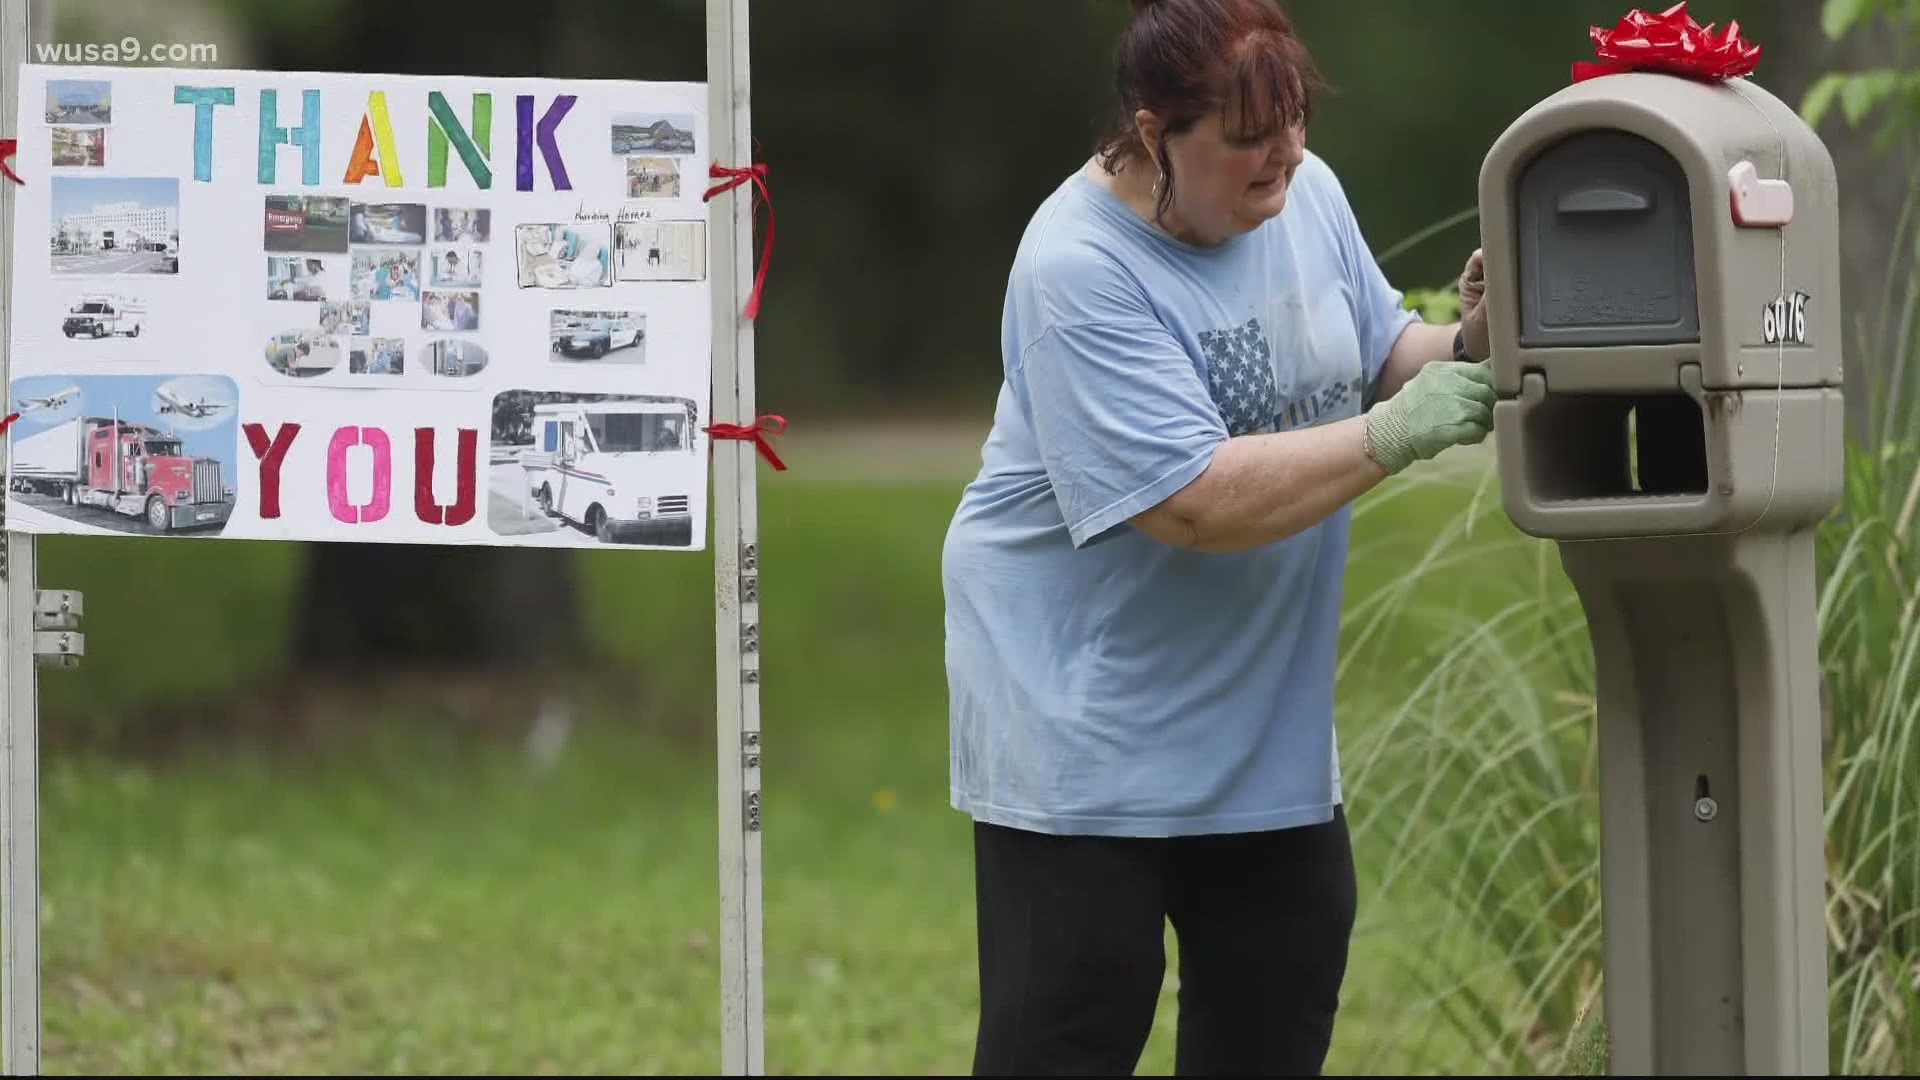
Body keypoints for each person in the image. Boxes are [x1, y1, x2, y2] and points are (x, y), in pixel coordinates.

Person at [940, 0, 1494, 1075]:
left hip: (1261, 726)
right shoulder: (1075, 270)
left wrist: (1472, 339)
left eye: (1291, 128)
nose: (1278, 160)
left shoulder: (1305, 191)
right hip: (1083, 728)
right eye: (1245, 140)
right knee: (1070, 1032)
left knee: (1274, 1016)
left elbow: (1381, 353)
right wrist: (1394, 437)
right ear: (1153, 134)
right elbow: (1192, 502)